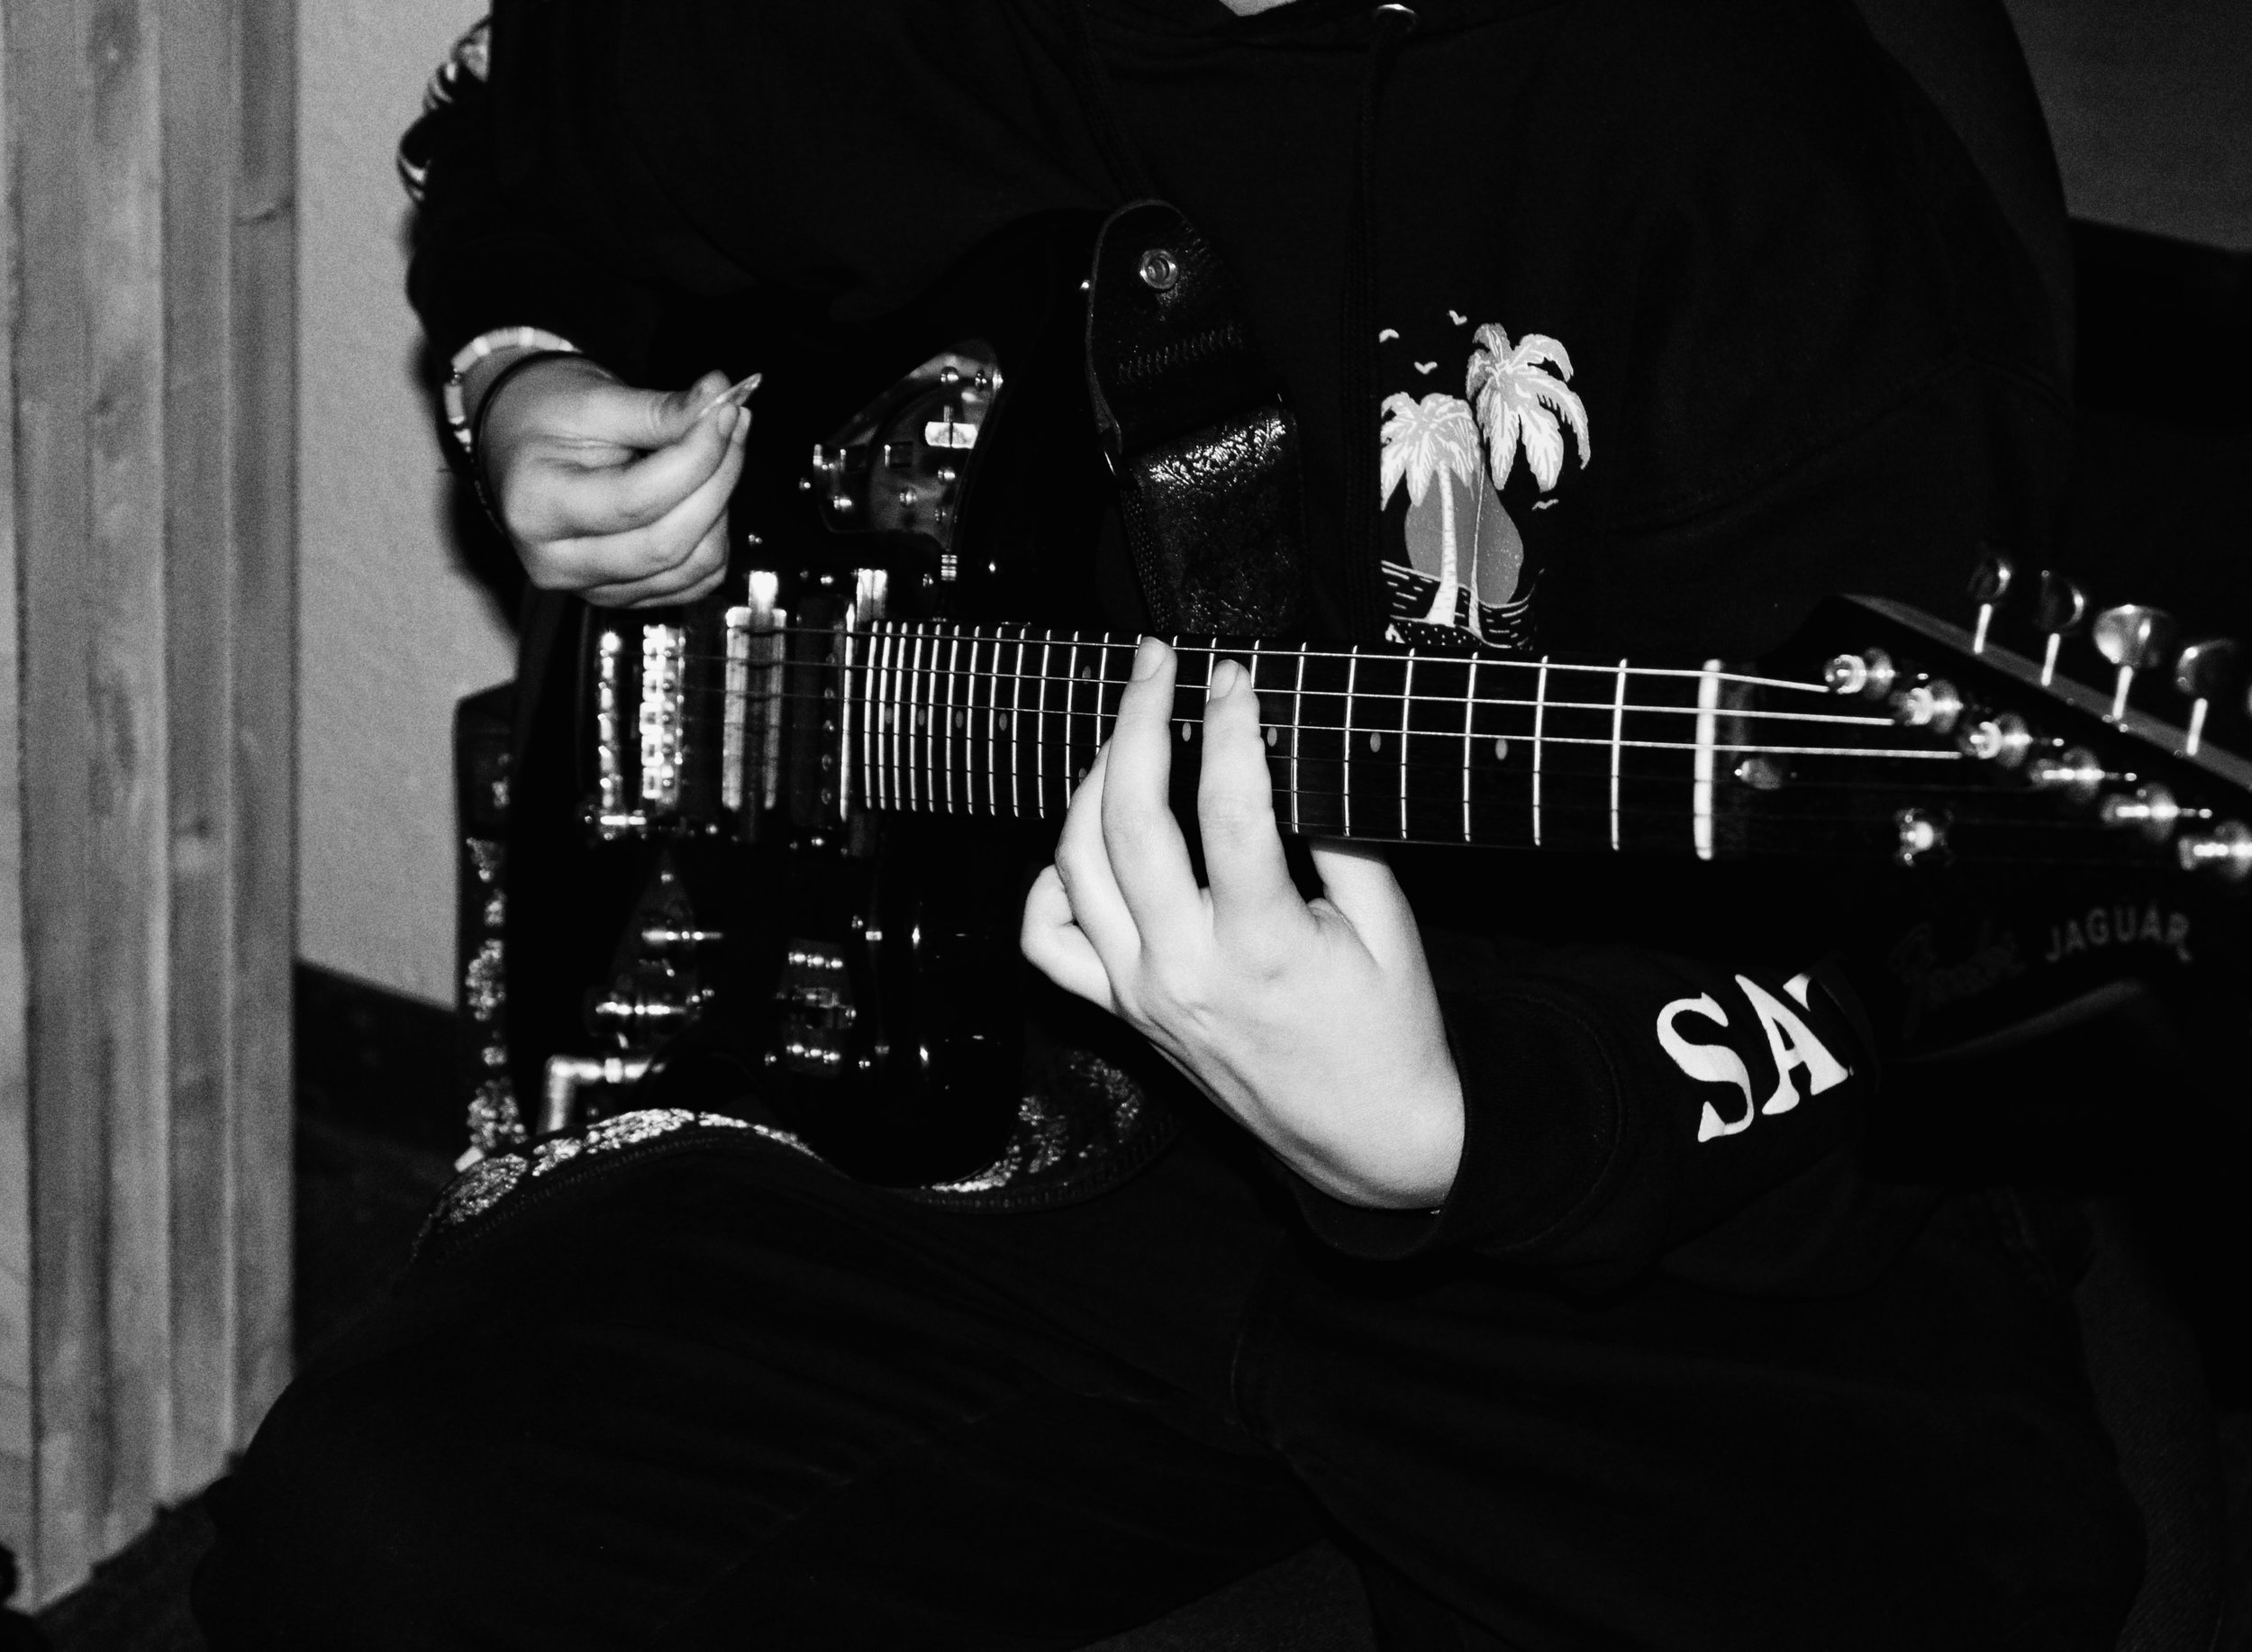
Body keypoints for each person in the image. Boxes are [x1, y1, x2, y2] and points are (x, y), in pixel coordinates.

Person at [195, 1, 2145, 1647]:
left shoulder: (1734, 124)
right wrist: (518, 378)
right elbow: (527, 160)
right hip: (949, 1093)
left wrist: (1468, 1126)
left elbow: (1948, 962)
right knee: (365, 1537)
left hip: (1602, 1194)